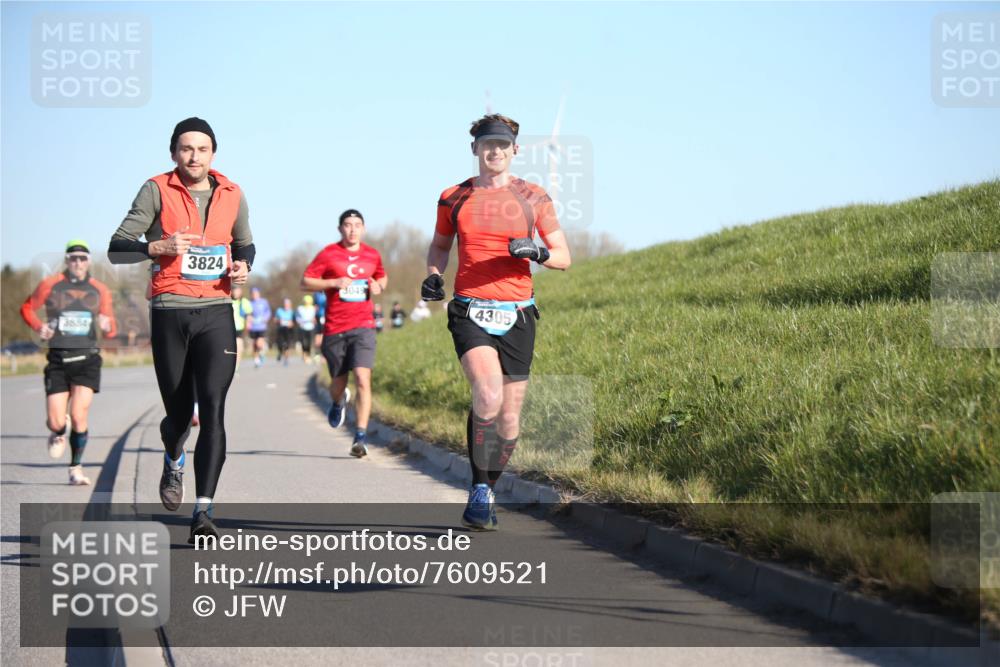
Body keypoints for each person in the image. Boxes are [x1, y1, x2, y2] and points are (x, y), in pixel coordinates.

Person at [108, 117, 255, 542]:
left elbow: (245, 242)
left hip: (216, 310)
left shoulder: (232, 193)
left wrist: (244, 264)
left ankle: (204, 512)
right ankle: (173, 456)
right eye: (186, 149)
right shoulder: (156, 189)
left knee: (213, 409)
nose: (195, 157)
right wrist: (157, 246)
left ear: (213, 154)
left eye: (203, 149)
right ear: (174, 153)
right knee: (178, 415)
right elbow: (117, 246)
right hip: (170, 310)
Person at [422, 114, 571, 530]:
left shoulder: (534, 197)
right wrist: (435, 275)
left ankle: (488, 483)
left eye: (502, 145)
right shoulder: (454, 197)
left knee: (509, 422)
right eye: (487, 144)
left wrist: (536, 252)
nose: (495, 151)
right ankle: (479, 490)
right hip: (470, 308)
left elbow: (563, 255)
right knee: (487, 395)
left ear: (515, 150)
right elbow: (438, 246)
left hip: (519, 313)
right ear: (475, 150)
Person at [20, 240, 118, 486]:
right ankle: (57, 430)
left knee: (78, 415)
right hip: (58, 360)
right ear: (66, 261)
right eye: (73, 258)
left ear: (88, 262)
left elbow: (110, 326)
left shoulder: (99, 289)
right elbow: (27, 308)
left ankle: (75, 468)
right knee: (55, 422)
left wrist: (108, 328)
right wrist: (39, 327)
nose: (78, 262)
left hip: (87, 361)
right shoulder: (50, 285)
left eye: (82, 258)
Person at [301, 209, 387, 458]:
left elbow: (381, 276)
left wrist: (378, 285)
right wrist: (332, 283)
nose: (352, 229)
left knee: (362, 378)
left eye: (357, 225)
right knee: (338, 384)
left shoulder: (372, 254)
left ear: (364, 228)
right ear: (340, 229)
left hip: (364, 327)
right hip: (335, 328)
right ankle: (338, 401)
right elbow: (305, 281)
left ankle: (360, 437)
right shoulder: (329, 254)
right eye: (347, 225)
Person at [247, 286, 271, 367]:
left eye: (256, 293)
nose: (254, 295)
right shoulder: (249, 303)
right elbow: (246, 314)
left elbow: (268, 311)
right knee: (254, 344)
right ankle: (256, 360)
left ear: (259, 294)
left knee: (259, 343)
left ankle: (261, 353)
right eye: (253, 293)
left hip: (261, 326)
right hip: (253, 327)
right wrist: (248, 319)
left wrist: (265, 318)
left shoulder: (264, 302)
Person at [231, 285, 252, 368]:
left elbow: (249, 315)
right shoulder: (228, 301)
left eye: (237, 290)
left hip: (239, 328)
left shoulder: (244, 302)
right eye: (234, 290)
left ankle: (236, 365)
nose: (236, 293)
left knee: (238, 345)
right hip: (228, 327)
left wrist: (248, 324)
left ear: (240, 291)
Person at [296, 294, 318, 363]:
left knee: (309, 343)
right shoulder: (300, 308)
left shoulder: (313, 308)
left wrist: (314, 320)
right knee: (303, 342)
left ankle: (307, 355)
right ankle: (304, 354)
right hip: (303, 327)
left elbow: (315, 317)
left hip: (310, 327)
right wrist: (299, 321)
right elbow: (297, 317)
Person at [274, 297, 296, 365]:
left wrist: (291, 324)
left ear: (290, 305)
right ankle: (280, 352)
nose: (286, 305)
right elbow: (275, 319)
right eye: (285, 304)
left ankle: (286, 359)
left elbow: (295, 322)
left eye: (288, 304)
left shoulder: (292, 312)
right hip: (281, 329)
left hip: (289, 330)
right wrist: (278, 321)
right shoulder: (279, 310)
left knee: (287, 345)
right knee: (280, 344)